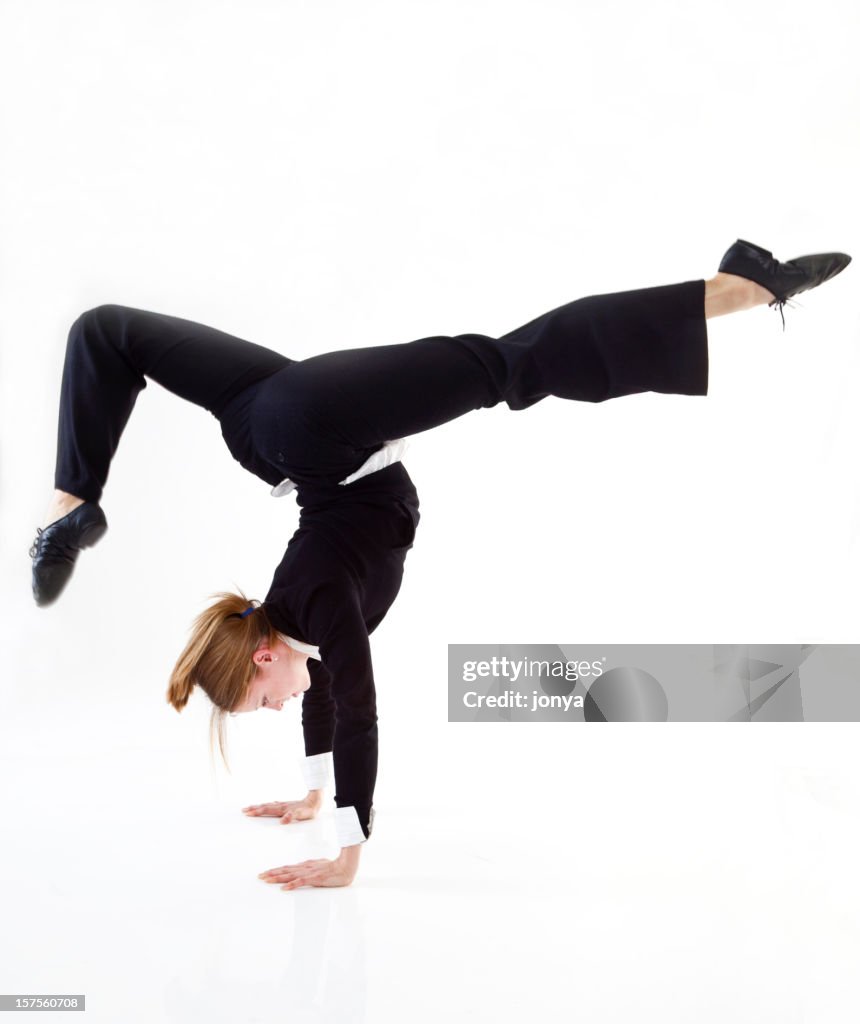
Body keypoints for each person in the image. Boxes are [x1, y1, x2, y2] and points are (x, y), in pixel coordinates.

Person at [28, 238, 851, 890]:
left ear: (264, 653)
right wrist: (315, 792)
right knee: (108, 330)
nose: (276, 709)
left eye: (258, 700)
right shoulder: (296, 618)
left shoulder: (313, 607)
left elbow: (357, 712)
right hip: (275, 432)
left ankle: (742, 289)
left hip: (316, 430)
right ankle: (74, 503)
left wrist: (347, 851)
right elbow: (322, 696)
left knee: (514, 361)